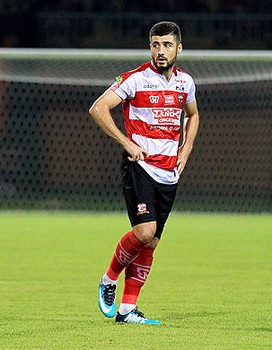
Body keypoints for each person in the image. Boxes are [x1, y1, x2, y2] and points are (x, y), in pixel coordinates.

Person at [88, 21, 200, 324]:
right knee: (144, 231)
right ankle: (108, 279)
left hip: (169, 172)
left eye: (166, 45)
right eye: (155, 44)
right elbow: (98, 108)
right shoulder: (135, 80)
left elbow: (192, 114)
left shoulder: (185, 83)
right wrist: (127, 143)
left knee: (151, 243)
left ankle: (127, 310)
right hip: (140, 167)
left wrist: (186, 149)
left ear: (179, 48)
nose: (160, 51)